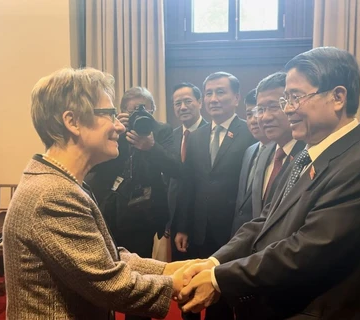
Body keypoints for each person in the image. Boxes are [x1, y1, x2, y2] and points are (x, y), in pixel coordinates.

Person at [178, 47, 360, 320]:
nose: (288, 109)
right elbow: (264, 222)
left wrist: (219, 279)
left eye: (296, 97)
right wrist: (214, 261)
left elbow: (306, 252)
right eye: (286, 99)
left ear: (338, 97)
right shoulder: (306, 155)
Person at [2, 68, 183, 319]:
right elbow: (109, 285)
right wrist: (179, 283)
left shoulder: (65, 182)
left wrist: (171, 269)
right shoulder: (53, 195)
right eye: (109, 114)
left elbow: (108, 256)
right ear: (73, 122)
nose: (119, 125)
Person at [85, 86, 181, 320]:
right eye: (132, 110)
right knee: (101, 274)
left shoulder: (162, 131)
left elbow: (175, 168)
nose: (140, 114)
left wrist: (150, 146)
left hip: (142, 216)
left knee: (138, 278)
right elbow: (96, 165)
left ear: (153, 110)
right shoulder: (113, 129)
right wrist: (115, 131)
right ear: (121, 113)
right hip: (109, 212)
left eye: (145, 109)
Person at [174, 72, 256, 320]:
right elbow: (188, 185)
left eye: (220, 92)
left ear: (236, 98)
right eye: (209, 93)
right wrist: (182, 227)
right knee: (189, 291)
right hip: (198, 229)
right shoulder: (196, 135)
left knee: (219, 297)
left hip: (230, 232)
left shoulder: (249, 133)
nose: (213, 98)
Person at [248, 72, 306, 229]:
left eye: (273, 107)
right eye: (260, 109)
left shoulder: (308, 155)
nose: (265, 117)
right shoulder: (264, 152)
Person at [168, 82, 207, 262]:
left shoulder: (211, 134)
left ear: (199, 102)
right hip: (173, 221)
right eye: (177, 103)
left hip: (204, 223)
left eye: (188, 101)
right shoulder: (170, 136)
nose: (182, 107)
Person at [230, 88, 271, 236]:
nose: (254, 120)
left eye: (258, 112)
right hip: (242, 237)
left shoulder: (283, 155)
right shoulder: (249, 151)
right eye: (249, 114)